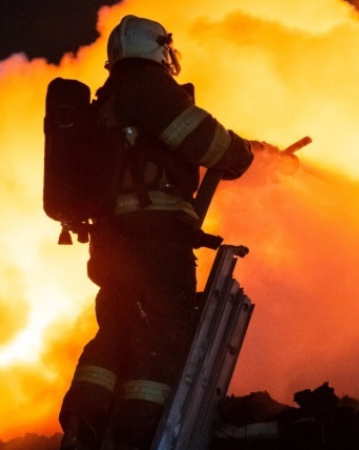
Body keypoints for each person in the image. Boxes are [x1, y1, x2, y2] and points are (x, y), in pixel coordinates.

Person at [58, 14, 274, 450]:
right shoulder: (148, 88)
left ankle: (85, 423)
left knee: (116, 329)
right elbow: (205, 140)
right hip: (155, 239)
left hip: (112, 240)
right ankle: (141, 432)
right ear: (159, 48)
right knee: (164, 331)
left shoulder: (110, 99)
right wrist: (243, 153)